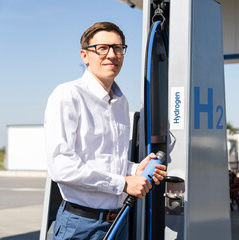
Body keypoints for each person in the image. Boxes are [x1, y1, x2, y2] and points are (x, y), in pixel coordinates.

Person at [44, 22, 167, 240]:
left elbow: (107, 159)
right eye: (102, 48)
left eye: (118, 48)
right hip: (81, 225)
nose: (111, 54)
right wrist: (124, 183)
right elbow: (61, 166)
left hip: (118, 222)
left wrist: (136, 169)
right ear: (85, 55)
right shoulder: (68, 95)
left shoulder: (121, 102)